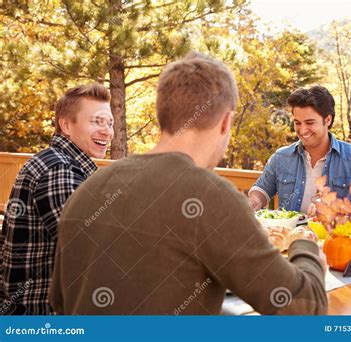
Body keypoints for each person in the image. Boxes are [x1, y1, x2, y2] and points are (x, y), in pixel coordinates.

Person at [49, 53, 328, 315]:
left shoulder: (87, 190)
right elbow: (305, 309)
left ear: (163, 115)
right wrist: (305, 246)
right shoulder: (212, 197)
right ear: (226, 122)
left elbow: (60, 302)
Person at [0, 84, 114, 315]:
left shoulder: (56, 161)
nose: (107, 131)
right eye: (96, 122)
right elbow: (89, 248)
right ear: (66, 125)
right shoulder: (59, 169)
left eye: (109, 123)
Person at [248, 86, 351, 213]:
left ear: (327, 120)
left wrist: (335, 211)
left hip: (336, 233)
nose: (302, 130)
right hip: (290, 232)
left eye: (310, 123)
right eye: (297, 123)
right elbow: (261, 189)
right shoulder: (281, 157)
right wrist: (254, 201)